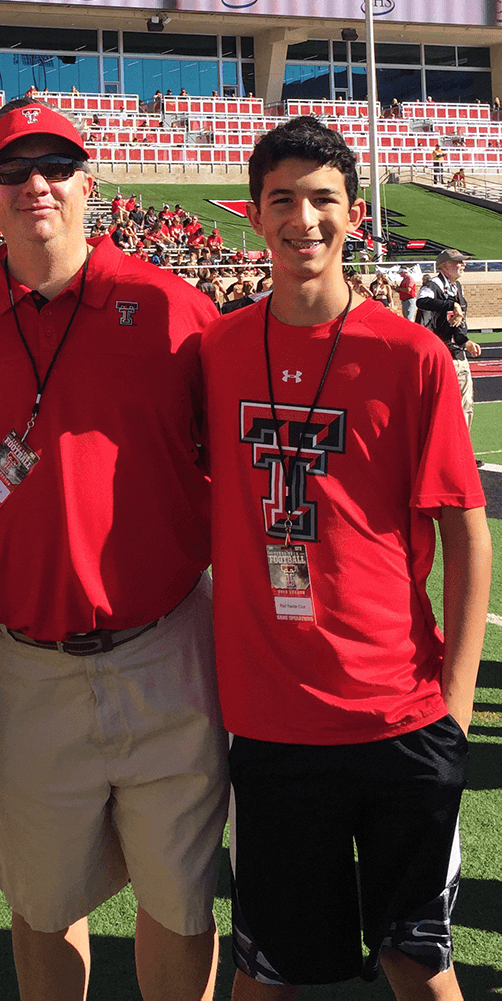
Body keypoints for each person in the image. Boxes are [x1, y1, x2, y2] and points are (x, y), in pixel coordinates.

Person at [0, 99, 228, 1001]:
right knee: (43, 903)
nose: (36, 185)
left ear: (90, 183)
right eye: (14, 170)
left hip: (166, 644)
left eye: (56, 166)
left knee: (182, 897)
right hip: (18, 663)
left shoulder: (173, 307)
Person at [199, 117, 491, 1001]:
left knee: (418, 957)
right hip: (274, 717)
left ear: (354, 214)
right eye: (281, 199)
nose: (304, 218)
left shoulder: (410, 355)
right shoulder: (216, 350)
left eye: (323, 198)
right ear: (254, 215)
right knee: (268, 964)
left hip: (399, 708)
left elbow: (466, 532)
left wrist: (459, 705)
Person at [416, 249, 483, 430]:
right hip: (439, 354)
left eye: (463, 261)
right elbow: (421, 301)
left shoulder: (457, 287)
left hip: (457, 352)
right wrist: (451, 304)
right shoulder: (434, 284)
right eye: (457, 262)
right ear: (444, 267)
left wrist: (466, 342)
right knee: (442, 407)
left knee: (466, 404)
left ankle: (462, 454)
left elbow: (456, 325)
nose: (463, 265)